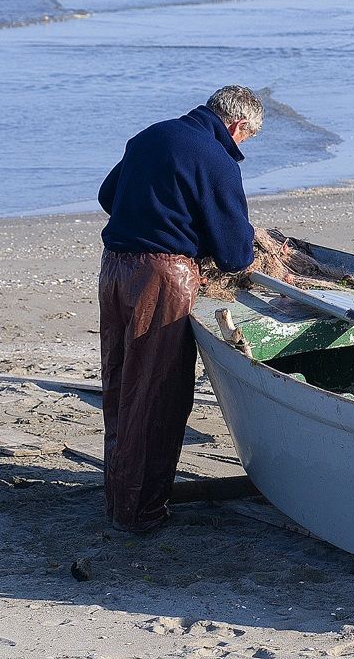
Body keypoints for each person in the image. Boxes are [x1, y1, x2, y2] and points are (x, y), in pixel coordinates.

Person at [97, 86, 262, 532]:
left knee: (120, 383)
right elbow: (234, 253)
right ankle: (142, 511)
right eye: (246, 139)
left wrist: (160, 215)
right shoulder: (217, 160)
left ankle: (118, 499)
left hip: (114, 269)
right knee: (156, 393)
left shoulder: (151, 136)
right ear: (236, 127)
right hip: (163, 277)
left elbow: (108, 196)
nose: (241, 147)